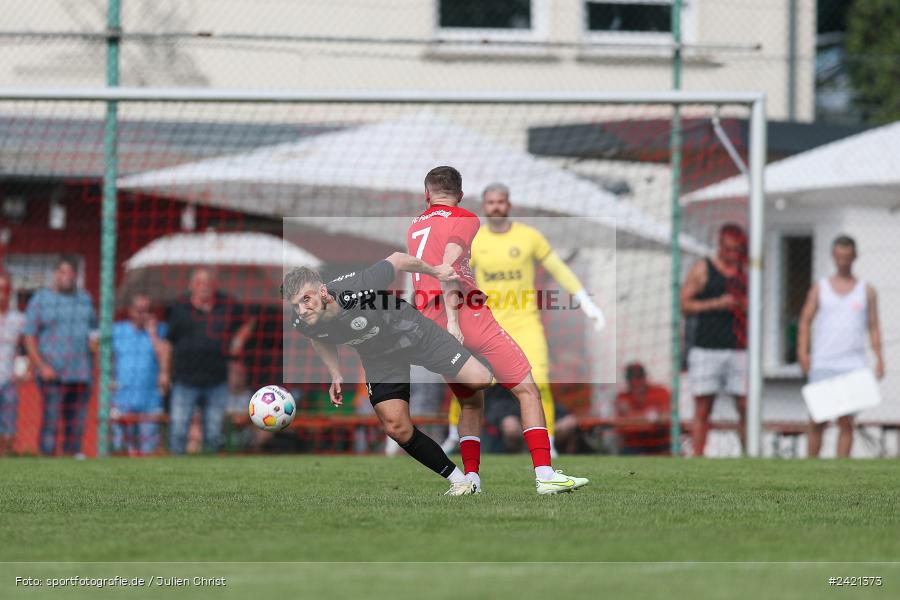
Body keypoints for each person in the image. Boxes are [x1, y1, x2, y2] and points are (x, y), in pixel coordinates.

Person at [406, 166, 589, 494]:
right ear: (460, 195)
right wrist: (453, 321)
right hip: (466, 315)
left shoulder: (415, 225)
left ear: (426, 194)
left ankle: (471, 479)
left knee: (471, 401)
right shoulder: (464, 217)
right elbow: (448, 266)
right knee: (527, 389)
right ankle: (545, 475)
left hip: (429, 323)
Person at [282, 253, 492, 495]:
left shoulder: (358, 286)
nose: (302, 309)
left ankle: (481, 345)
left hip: (413, 332)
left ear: (322, 291)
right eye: (296, 304)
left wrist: (436, 272)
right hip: (379, 357)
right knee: (396, 427)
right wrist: (336, 374)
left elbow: (399, 259)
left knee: (481, 380)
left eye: (306, 299)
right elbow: (318, 337)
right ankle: (460, 481)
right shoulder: (302, 321)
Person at [443, 182, 606, 456]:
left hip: (526, 324)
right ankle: (452, 436)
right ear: (484, 205)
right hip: (487, 323)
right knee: (467, 380)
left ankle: (549, 443)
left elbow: (558, 267)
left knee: (539, 382)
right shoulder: (475, 240)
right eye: (491, 202)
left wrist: (585, 300)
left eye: (501, 201)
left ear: (509, 204)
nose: (496, 206)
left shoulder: (529, 237)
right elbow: (456, 278)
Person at [797, 235, 884, 458]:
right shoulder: (820, 288)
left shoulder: (866, 290)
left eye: (847, 256)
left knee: (846, 422)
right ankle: (810, 468)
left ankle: (841, 469)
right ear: (833, 257)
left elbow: (873, 326)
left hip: (853, 364)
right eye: (839, 256)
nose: (843, 261)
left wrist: (879, 358)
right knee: (818, 419)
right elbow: (805, 320)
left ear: (854, 257)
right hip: (823, 362)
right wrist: (802, 352)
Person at [161, 267, 255, 455]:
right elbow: (167, 344)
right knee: (179, 430)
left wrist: (239, 339)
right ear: (192, 286)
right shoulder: (180, 308)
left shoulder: (226, 304)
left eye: (208, 282)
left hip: (216, 380)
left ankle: (209, 474)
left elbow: (249, 320)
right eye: (200, 282)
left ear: (214, 285)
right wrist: (164, 372)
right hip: (184, 379)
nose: (204, 286)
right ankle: (172, 470)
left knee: (213, 433)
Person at [680, 223, 748, 457]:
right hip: (706, 348)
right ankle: (698, 457)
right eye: (728, 249)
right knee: (702, 407)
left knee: (745, 405)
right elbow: (684, 305)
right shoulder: (703, 269)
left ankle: (749, 455)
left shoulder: (746, 272)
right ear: (720, 245)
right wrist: (717, 303)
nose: (732, 254)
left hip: (739, 349)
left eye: (736, 249)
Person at [24, 257, 98, 457]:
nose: (67, 277)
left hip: (81, 373)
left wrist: (95, 348)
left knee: (76, 425)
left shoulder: (85, 299)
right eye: (62, 272)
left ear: (76, 276)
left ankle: (73, 466)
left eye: (71, 273)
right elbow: (29, 336)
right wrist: (41, 366)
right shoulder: (40, 300)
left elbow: (95, 332)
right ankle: (46, 466)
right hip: (53, 374)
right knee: (51, 422)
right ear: (55, 274)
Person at [110, 293, 167, 455]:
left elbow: (165, 356)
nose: (143, 315)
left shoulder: (160, 330)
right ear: (130, 311)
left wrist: (153, 334)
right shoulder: (118, 331)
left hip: (150, 399)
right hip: (122, 398)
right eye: (139, 310)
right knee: (120, 449)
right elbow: (105, 356)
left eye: (147, 310)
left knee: (148, 450)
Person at [614, 363, 671, 455]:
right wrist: (652, 417)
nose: (635, 381)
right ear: (627, 380)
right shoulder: (623, 396)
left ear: (645, 377)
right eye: (631, 378)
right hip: (634, 446)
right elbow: (622, 422)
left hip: (660, 442)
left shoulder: (660, 392)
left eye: (639, 377)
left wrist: (636, 416)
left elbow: (667, 417)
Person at [0, 272, 26, 456]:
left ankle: (7, 462)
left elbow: (26, 346)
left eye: (4, 289)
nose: (1, 293)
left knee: (9, 425)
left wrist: (25, 368)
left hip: (8, 380)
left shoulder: (18, 319)